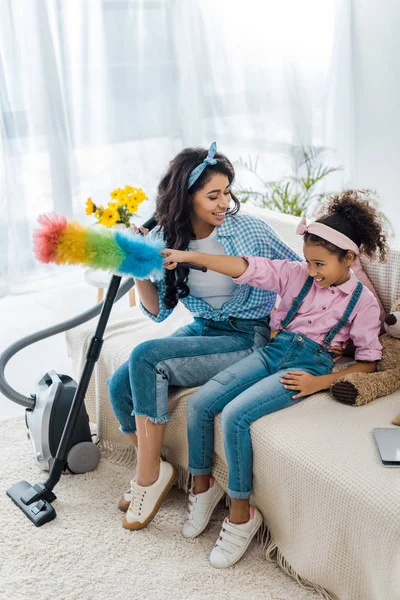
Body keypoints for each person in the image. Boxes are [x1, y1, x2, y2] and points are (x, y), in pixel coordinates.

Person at [162, 189, 387, 568]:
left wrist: (321, 383)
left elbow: (368, 362)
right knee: (201, 403)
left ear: (349, 258)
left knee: (235, 417)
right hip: (272, 349)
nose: (312, 273)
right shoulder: (295, 274)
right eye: (308, 263)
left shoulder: (363, 302)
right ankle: (202, 488)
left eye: (320, 265)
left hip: (311, 365)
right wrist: (186, 256)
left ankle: (240, 514)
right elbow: (243, 266)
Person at [107, 142, 304, 531]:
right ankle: (155, 466)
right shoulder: (166, 236)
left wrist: (290, 328)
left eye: (227, 193)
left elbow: (297, 274)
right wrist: (138, 266)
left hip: (247, 335)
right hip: (203, 330)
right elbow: (159, 311)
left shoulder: (248, 230)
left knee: (146, 357)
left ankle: (146, 477)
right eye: (213, 195)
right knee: (119, 386)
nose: (223, 203)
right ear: (187, 196)